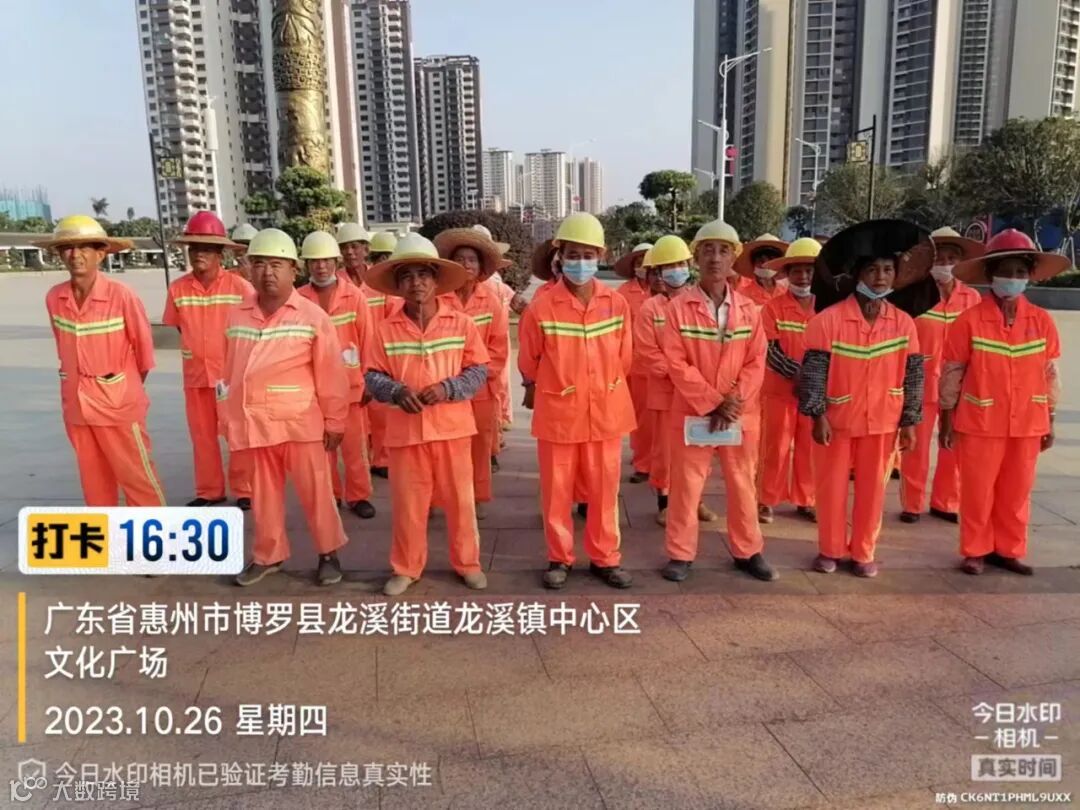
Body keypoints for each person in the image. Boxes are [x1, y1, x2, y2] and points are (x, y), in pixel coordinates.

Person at [798, 220, 928, 578]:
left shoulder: (904, 323)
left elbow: (914, 374)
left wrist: (910, 421)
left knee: (873, 492)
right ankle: (830, 549)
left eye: (887, 270)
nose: (880, 277)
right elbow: (813, 372)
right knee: (831, 489)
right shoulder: (828, 321)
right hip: (837, 421)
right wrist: (817, 415)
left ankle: (863, 552)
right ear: (858, 275)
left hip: (883, 421)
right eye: (872, 270)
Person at [220, 228, 349, 587]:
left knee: (317, 492)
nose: (267, 273)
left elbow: (331, 374)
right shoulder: (236, 316)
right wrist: (227, 416)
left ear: (294, 270)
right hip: (255, 422)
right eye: (260, 264)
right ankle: (269, 554)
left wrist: (336, 420)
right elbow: (227, 372)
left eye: (277, 265)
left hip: (299, 422)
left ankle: (328, 553)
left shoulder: (311, 316)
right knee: (263, 496)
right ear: (249, 268)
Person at [364, 234, 490, 596]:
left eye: (423, 275)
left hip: (452, 429)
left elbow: (479, 370)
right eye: (407, 276)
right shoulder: (384, 329)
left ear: (436, 280)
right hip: (405, 433)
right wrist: (396, 391)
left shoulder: (461, 324)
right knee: (408, 506)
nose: (415, 283)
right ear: (397, 285)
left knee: (461, 503)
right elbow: (371, 375)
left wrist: (448, 388)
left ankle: (468, 564)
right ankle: (406, 568)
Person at [518, 212, 636, 590]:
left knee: (604, 491)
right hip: (559, 413)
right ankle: (559, 558)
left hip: (606, 412)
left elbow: (625, 358)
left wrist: (603, 386)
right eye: (573, 255)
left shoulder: (616, 304)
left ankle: (606, 558)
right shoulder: (542, 307)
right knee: (557, 492)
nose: (580, 263)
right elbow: (529, 361)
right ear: (560, 256)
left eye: (588, 255)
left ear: (600, 255)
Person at [941, 229, 1064, 576]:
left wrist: (1050, 418)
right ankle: (975, 550)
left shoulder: (1041, 320)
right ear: (990, 274)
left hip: (1028, 422)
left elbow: (1050, 374)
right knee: (977, 491)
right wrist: (947, 420)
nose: (1013, 278)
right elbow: (952, 373)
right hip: (980, 421)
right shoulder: (968, 321)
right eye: (1006, 272)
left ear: (1029, 276)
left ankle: (1009, 549)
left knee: (1017, 491)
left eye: (1020, 272)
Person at [659, 220, 777, 583]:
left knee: (743, 484)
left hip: (739, 414)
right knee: (686, 486)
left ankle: (748, 551)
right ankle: (680, 553)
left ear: (733, 258)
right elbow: (675, 362)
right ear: (696, 257)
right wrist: (712, 402)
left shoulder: (750, 309)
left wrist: (733, 400)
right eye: (707, 250)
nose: (715, 258)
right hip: (694, 412)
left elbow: (757, 360)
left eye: (723, 250)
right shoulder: (678, 309)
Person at [39, 215, 167, 507]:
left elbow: (144, 354)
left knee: (138, 480)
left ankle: (154, 534)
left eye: (85, 247)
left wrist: (120, 389)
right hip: (77, 408)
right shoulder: (55, 297)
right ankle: (106, 533)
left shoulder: (121, 296)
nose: (75, 255)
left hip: (118, 407)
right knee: (94, 483)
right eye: (67, 248)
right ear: (59, 254)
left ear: (101, 253)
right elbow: (63, 348)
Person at [162, 211, 254, 509]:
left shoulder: (240, 288)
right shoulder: (178, 289)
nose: (198, 254)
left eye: (206, 249)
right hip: (196, 377)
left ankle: (245, 489)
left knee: (236, 433)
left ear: (219, 254)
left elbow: (254, 328)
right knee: (202, 437)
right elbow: (179, 326)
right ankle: (209, 490)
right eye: (194, 248)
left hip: (230, 377)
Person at [898, 226, 984, 524]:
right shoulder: (913, 295)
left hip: (959, 387)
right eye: (939, 258)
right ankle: (912, 503)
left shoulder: (971, 298)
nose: (945, 264)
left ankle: (946, 502)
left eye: (951, 258)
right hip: (920, 383)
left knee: (953, 446)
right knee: (915, 446)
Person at [632, 236, 718, 527]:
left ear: (688, 266)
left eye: (679, 264)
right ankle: (666, 503)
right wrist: (680, 374)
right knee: (666, 452)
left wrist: (698, 379)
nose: (674, 270)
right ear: (657, 272)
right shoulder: (650, 309)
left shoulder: (701, 303)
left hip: (697, 393)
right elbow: (648, 352)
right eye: (667, 266)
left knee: (699, 448)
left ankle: (697, 500)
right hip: (666, 392)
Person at [297, 230, 376, 519]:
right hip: (313, 389)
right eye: (314, 261)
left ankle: (359, 496)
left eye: (326, 260)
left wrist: (369, 379)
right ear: (307, 264)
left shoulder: (355, 296)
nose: (321, 266)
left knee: (355, 447)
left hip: (350, 387)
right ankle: (330, 495)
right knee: (322, 448)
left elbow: (368, 341)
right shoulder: (298, 298)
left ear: (335, 261)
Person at [434, 227, 511, 520]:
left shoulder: (491, 301)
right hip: (445, 389)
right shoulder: (438, 299)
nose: (466, 265)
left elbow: (498, 349)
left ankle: (475, 498)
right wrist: (449, 380)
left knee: (479, 448)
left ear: (481, 267)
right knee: (444, 448)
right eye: (460, 259)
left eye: (472, 260)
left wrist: (475, 377)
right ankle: (437, 497)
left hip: (481, 390)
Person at [757, 238, 822, 524]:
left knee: (810, 447)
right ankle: (766, 499)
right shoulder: (772, 308)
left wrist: (812, 380)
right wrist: (797, 374)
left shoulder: (827, 307)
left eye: (809, 271)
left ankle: (806, 499)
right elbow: (770, 349)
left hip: (813, 393)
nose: (803, 277)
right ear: (787, 273)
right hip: (779, 391)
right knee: (775, 447)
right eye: (797, 271)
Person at [338, 224, 392, 479]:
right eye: (345, 248)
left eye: (355, 247)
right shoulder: (336, 283)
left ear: (366, 249)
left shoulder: (380, 281)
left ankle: (382, 459)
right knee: (357, 418)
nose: (350, 252)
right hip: (347, 360)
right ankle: (362, 462)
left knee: (380, 412)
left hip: (379, 356)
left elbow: (393, 318)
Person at [614, 242, 655, 483]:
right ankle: (643, 463)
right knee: (640, 418)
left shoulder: (664, 290)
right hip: (636, 365)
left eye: (647, 263)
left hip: (669, 368)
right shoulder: (622, 293)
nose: (643, 267)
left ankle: (662, 462)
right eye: (639, 262)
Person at [734, 233, 789, 309]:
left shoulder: (786, 292)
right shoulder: (742, 294)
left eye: (771, 260)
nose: (765, 265)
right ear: (753, 264)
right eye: (760, 260)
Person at [335, 222, 372, 287]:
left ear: (366, 250)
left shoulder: (377, 276)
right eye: (344, 247)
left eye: (354, 246)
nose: (349, 252)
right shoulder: (335, 280)